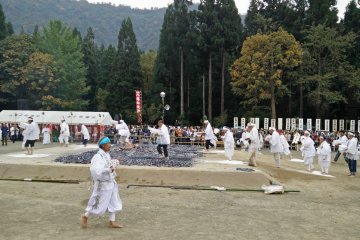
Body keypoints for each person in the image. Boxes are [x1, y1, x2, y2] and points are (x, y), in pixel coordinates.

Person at [81, 136, 123, 228]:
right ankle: (85, 216)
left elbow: (107, 165)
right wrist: (109, 169)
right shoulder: (98, 156)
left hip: (111, 182)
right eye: (108, 143)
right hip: (103, 184)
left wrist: (113, 163)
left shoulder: (106, 154)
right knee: (98, 203)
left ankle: (112, 221)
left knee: (114, 202)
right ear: (103, 145)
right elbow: (96, 170)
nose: (110, 145)